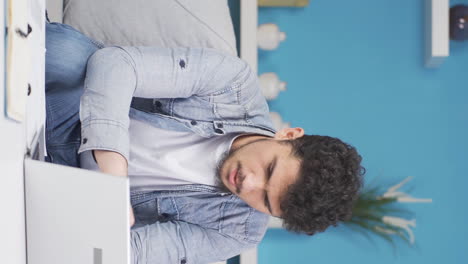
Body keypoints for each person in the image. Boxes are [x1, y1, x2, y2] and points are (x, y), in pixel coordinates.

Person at [45, 21, 364, 264]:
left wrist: (102, 232)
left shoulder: (239, 231)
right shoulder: (232, 85)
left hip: (68, 189)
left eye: (264, 201)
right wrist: (112, 168)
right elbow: (115, 64)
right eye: (269, 169)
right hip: (72, 106)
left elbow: (133, 253)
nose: (248, 183)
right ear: (289, 135)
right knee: (68, 53)